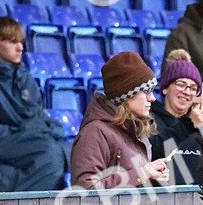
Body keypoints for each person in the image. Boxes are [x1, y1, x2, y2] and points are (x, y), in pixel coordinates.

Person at [70, 52, 169, 189]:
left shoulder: (135, 128)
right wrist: (141, 173)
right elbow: (85, 189)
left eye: (152, 90)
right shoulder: (94, 133)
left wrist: (154, 178)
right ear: (126, 96)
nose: (152, 98)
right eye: (146, 91)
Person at [0, 16, 71, 192]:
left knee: (72, 150)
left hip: (29, 135)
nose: (20, 47)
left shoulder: (25, 76)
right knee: (50, 153)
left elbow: (37, 114)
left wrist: (47, 129)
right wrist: (33, 131)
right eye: (12, 41)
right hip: (1, 139)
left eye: (21, 42)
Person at [150, 50, 203, 183]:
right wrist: (188, 124)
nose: (186, 92)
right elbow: (154, 151)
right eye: (180, 84)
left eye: (193, 88)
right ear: (165, 88)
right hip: (163, 200)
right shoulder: (150, 119)